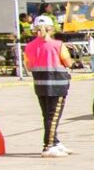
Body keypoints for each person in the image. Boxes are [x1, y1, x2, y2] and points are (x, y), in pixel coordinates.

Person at [25, 15, 76, 157]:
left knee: (47, 115)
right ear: (51, 28)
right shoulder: (58, 44)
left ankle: (55, 141)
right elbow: (68, 63)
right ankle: (49, 145)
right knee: (53, 117)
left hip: (40, 85)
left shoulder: (29, 46)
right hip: (57, 85)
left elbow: (29, 66)